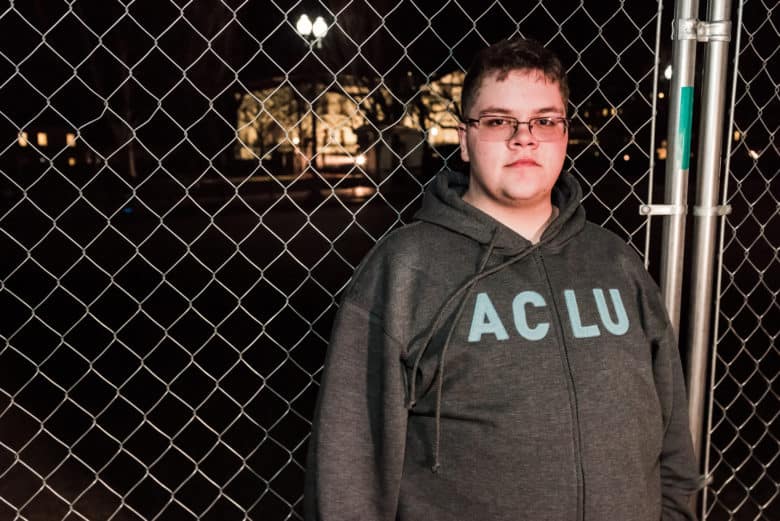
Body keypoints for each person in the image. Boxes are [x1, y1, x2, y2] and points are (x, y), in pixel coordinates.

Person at [305, 37, 701, 520]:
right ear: (465, 138)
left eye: (544, 120)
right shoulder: (406, 268)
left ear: (564, 133)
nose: (524, 137)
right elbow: (351, 469)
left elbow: (672, 439)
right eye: (498, 121)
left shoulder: (616, 262)